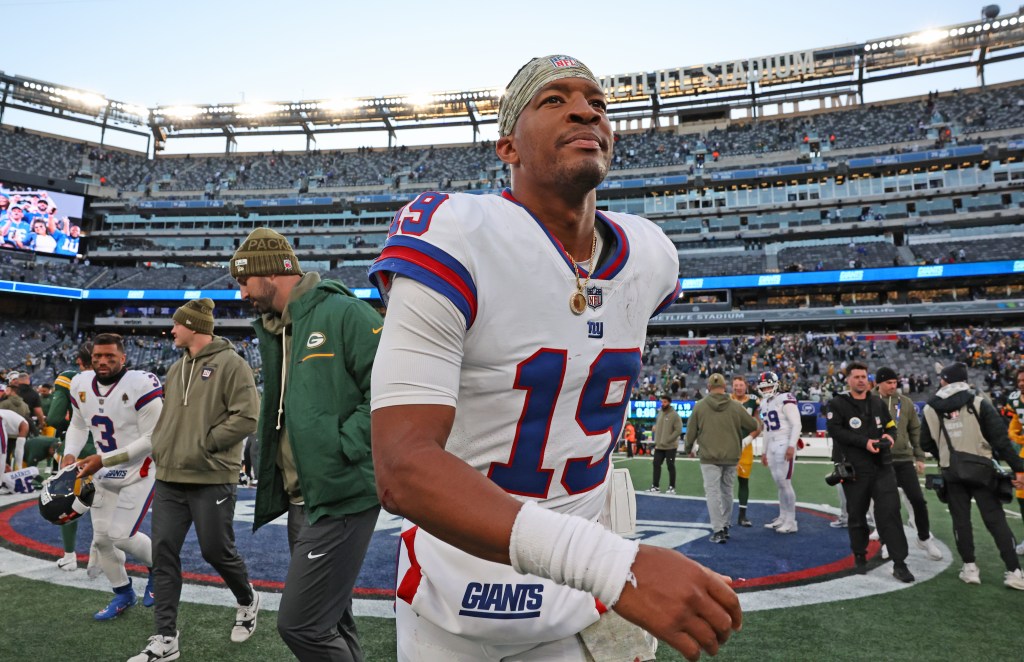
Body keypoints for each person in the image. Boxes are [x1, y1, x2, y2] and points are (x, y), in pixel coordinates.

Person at [369, 55, 740, 662]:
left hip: (577, 605)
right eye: (554, 100)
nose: (585, 111)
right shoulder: (455, 231)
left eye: (597, 102)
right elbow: (403, 467)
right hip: (454, 598)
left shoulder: (651, 255)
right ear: (508, 146)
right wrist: (616, 567)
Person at [230, 228, 382, 661]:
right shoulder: (278, 328)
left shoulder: (345, 312)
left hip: (341, 494)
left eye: (245, 281)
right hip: (304, 499)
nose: (242, 293)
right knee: (333, 619)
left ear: (271, 274)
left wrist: (343, 446)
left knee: (301, 624)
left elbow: (391, 389)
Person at [130, 299, 261, 662]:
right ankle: (165, 638)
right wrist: (163, 448)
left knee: (215, 550)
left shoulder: (233, 364)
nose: (171, 330)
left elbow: (248, 416)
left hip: (211, 474)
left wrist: (205, 444)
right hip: (170, 476)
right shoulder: (176, 369)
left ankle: (247, 599)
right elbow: (169, 420)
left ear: (194, 326)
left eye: (177, 324)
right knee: (163, 554)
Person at [64, 333, 162, 619]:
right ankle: (123, 593)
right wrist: (69, 454)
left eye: (110, 356)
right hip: (103, 472)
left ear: (123, 358)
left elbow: (153, 439)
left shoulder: (141, 383)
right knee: (102, 539)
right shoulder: (80, 383)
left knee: (121, 536)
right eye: (97, 356)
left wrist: (103, 459)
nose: (103, 361)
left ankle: (162, 569)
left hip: (139, 470)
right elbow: (78, 425)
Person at [919, 363, 1024, 590]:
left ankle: (970, 568)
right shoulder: (978, 402)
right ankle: (1014, 572)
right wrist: (1019, 467)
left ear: (945, 380)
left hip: (951, 471)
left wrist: (945, 454)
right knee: (996, 521)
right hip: (982, 470)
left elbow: (925, 443)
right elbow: (1000, 440)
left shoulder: (929, 408)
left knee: (961, 521)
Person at [826, 362, 914, 583]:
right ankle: (859, 555)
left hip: (882, 467)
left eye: (863, 376)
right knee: (857, 515)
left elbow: (891, 425)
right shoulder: (838, 403)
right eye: (856, 377)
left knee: (890, 513)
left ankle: (899, 563)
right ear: (848, 380)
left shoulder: (877, 403)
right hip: (855, 470)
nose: (861, 380)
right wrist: (864, 442)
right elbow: (835, 430)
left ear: (869, 379)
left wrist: (890, 437)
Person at [874, 366, 942, 561]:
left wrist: (919, 457)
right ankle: (886, 542)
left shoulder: (905, 402)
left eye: (895, 382)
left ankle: (924, 538)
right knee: (886, 505)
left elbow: (915, 431)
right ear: (879, 383)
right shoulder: (869, 401)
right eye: (888, 383)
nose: (893, 386)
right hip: (880, 460)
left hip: (904, 458)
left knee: (918, 500)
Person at [684, 373, 759, 544]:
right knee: (727, 491)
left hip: (709, 456)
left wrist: (688, 449)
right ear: (725, 387)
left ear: (708, 387)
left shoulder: (700, 406)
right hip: (731, 455)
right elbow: (753, 425)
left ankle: (718, 530)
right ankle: (725, 526)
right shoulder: (735, 406)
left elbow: (691, 431)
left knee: (713, 493)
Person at [50, 341, 96, 571]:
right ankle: (101, 556)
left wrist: (66, 429)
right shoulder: (119, 381)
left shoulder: (70, 378)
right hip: (107, 452)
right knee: (106, 508)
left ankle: (69, 556)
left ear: (79, 361)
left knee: (67, 502)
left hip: (75, 451)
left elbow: (54, 418)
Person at [757, 372, 801, 534]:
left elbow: (796, 424)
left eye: (769, 386)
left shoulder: (785, 398)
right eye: (763, 387)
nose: (766, 390)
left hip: (784, 441)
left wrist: (791, 445)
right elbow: (766, 429)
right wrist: (763, 451)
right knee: (779, 483)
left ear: (776, 385)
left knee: (785, 482)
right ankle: (783, 517)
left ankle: (791, 521)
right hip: (772, 444)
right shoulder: (764, 403)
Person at [731, 376, 760, 527]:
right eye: (736, 385)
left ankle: (742, 516)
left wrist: (748, 439)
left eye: (741, 385)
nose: (738, 388)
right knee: (725, 481)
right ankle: (723, 516)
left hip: (745, 446)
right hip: (728, 445)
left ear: (746, 386)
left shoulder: (753, 401)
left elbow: (758, 425)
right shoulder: (727, 400)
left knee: (743, 480)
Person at [1004, 368, 1024, 555]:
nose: (1021, 383)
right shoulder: (1016, 399)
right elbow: (1016, 420)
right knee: (1022, 492)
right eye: (1019, 380)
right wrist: (1014, 433)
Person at [649, 395, 682, 494]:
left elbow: (678, 430)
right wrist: (655, 429)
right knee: (656, 464)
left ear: (669, 403)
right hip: (659, 446)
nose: (663, 404)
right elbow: (660, 426)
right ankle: (655, 486)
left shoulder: (675, 415)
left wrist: (668, 439)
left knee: (670, 465)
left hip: (670, 446)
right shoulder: (660, 413)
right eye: (662, 402)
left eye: (665, 402)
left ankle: (672, 487)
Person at [0, 409, 29, 494]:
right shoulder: (25, 425)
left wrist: (5, 464)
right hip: (1, 419)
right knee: (2, 452)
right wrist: (19, 468)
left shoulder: (13, 419)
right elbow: (19, 449)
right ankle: (0, 484)